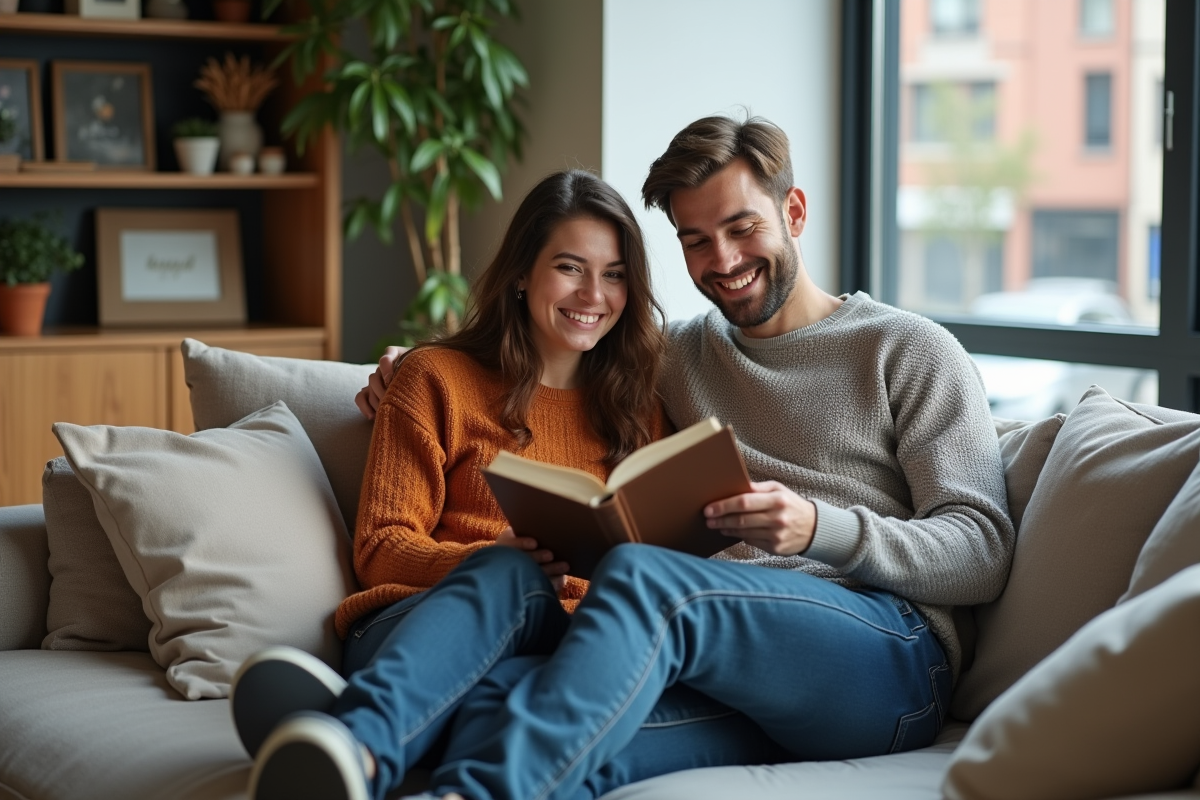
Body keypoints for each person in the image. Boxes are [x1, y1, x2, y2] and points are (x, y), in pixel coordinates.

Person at [356, 115, 1017, 800]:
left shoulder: (907, 350)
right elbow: (564, 345)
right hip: (724, 668)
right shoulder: (674, 357)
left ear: (793, 211)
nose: (723, 261)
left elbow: (983, 550)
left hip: (882, 656)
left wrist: (823, 529)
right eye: (696, 241)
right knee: (498, 701)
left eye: (742, 228)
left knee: (646, 578)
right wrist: (415, 368)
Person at [237, 169, 785, 800]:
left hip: (559, 641)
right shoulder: (434, 379)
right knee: (513, 575)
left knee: (524, 696)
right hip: (419, 623)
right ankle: (357, 745)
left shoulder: (637, 407)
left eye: (614, 275)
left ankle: (334, 734)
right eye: (570, 267)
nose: (593, 294)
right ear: (523, 273)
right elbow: (380, 549)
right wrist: (488, 557)